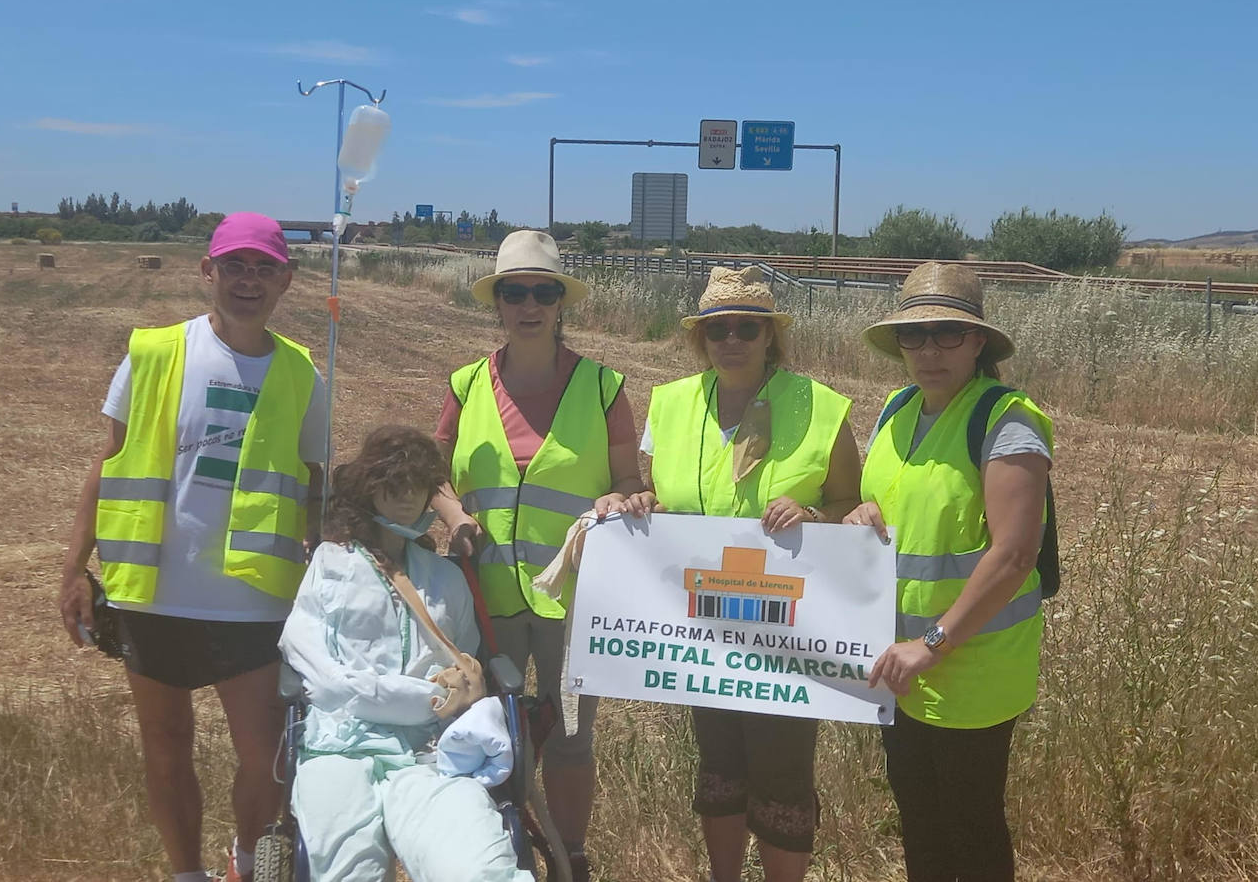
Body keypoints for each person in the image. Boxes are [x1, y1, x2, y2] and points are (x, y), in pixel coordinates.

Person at [58, 212, 327, 882]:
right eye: (234, 265)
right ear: (208, 270)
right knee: (166, 744)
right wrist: (72, 568)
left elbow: (316, 488)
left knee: (265, 757)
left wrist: (326, 580)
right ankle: (186, 874)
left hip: (254, 601)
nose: (248, 280)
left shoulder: (302, 376)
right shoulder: (152, 353)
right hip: (151, 591)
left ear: (286, 280)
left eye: (265, 267)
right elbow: (110, 460)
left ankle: (244, 864)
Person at [622, 265, 862, 882]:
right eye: (718, 329)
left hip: (786, 628)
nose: (732, 339)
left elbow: (850, 505)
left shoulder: (821, 408)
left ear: (769, 337)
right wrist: (645, 502)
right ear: (701, 338)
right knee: (719, 763)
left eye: (746, 328)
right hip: (701, 629)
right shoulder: (671, 404)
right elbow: (658, 492)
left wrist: (813, 513)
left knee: (783, 772)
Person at [431, 229, 644, 882]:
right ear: (497, 302)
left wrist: (619, 500)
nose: (529, 304)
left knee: (573, 738)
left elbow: (629, 481)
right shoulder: (465, 385)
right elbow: (431, 475)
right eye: (514, 291)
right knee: (483, 730)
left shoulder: (604, 386)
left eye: (542, 291)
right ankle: (494, 855)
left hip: (574, 601)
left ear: (560, 302)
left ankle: (569, 855)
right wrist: (456, 515)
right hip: (484, 597)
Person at [843, 261, 1053, 882]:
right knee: (920, 824)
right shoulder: (895, 409)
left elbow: (1014, 555)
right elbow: (888, 503)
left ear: (978, 341)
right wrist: (861, 511)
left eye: (948, 334)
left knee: (972, 830)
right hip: (899, 666)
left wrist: (934, 643)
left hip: (972, 670)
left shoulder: (1007, 420)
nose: (929, 350)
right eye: (915, 335)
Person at [280, 425, 533, 882]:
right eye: (393, 486)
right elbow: (314, 665)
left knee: (477, 869)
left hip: (431, 751)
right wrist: (417, 700)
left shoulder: (446, 579)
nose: (406, 499)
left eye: (417, 487)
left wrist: (418, 706)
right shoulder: (331, 564)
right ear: (369, 489)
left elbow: (467, 667)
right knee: (348, 870)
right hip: (341, 746)